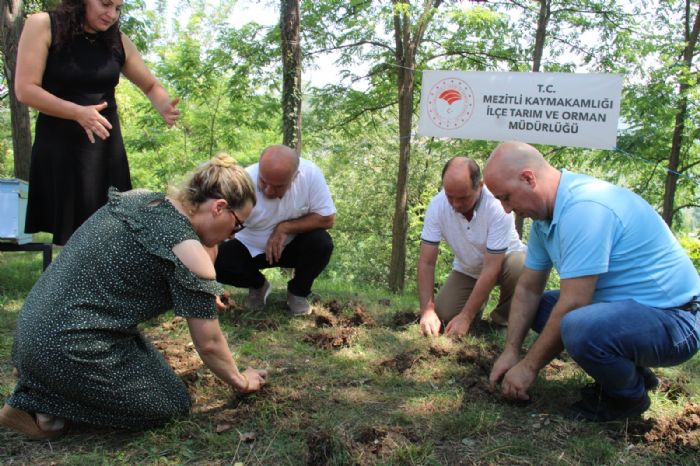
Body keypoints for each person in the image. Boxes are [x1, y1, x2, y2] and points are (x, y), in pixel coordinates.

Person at [0, 154, 268, 440]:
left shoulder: (140, 200)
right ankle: (42, 410)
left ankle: (43, 393)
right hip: (70, 348)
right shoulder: (188, 251)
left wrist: (204, 285)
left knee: (149, 365)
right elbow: (210, 344)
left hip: (31, 334)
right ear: (219, 207)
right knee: (171, 405)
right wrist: (241, 381)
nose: (232, 237)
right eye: (238, 225)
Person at [484, 141, 700, 422]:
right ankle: (633, 375)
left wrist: (529, 367)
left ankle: (627, 399)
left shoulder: (584, 209)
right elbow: (528, 288)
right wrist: (512, 351)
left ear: (528, 178)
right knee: (541, 307)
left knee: (576, 324)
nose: (505, 209)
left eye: (506, 197)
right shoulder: (544, 220)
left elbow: (575, 302)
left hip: (678, 320)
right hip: (633, 313)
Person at [15, 0, 181, 246]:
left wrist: (164, 106)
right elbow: (25, 90)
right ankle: (66, 282)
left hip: (105, 149)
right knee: (70, 239)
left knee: (112, 232)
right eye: (105, 4)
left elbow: (151, 85)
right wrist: (78, 113)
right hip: (61, 144)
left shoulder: (118, 40)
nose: (111, 14)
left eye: (118, 8)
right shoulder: (43, 24)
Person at [214, 145, 336, 316]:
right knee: (216, 258)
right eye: (263, 182)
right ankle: (258, 285)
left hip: (291, 247)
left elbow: (327, 218)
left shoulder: (310, 174)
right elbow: (219, 226)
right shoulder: (243, 180)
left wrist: (285, 228)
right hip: (248, 249)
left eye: (278, 186)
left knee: (322, 242)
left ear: (295, 177)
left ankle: (298, 293)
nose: (268, 190)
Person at [418, 157, 525, 337]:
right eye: (449, 196)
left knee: (520, 265)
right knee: (444, 315)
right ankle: (474, 310)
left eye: (463, 198)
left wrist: (466, 316)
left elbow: (492, 267)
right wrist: (427, 310)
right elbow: (426, 262)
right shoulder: (437, 206)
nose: (456, 204)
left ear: (480, 185)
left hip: (505, 263)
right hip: (468, 269)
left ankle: (502, 321)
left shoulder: (496, 205)